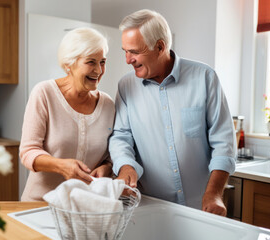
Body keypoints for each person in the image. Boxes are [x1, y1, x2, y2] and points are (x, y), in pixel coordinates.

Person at [109, 9, 237, 216]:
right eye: (125, 51)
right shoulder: (126, 86)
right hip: (151, 208)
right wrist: (125, 166)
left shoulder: (205, 78)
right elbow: (121, 137)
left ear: (160, 46)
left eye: (134, 51)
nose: (127, 59)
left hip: (200, 208)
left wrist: (214, 194)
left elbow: (224, 143)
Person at [20, 27, 115, 201]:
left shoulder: (108, 104)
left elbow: (110, 155)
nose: (99, 70)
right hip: (40, 203)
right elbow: (28, 152)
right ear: (69, 64)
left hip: (86, 206)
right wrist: (61, 166)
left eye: (102, 62)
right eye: (91, 62)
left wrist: (106, 167)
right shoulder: (44, 93)